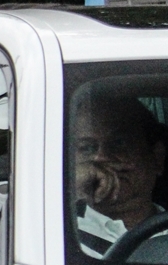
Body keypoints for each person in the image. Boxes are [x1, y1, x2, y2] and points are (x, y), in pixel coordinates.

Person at [72, 94, 167, 256]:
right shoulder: (55, 232)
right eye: (87, 148)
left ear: (157, 158)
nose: (100, 157)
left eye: (118, 143)